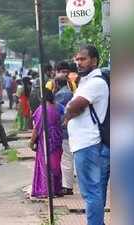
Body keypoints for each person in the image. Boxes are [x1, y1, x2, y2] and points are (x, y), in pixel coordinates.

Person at [64, 45, 110, 225]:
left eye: (82, 59)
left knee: (91, 192)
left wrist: (68, 114)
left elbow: (74, 106)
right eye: (77, 59)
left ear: (94, 60)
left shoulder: (96, 82)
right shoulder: (86, 81)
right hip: (86, 144)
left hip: (89, 143)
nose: (78, 62)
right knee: (95, 191)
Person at [29, 88, 63, 198]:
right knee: (55, 164)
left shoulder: (42, 109)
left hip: (46, 139)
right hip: (57, 139)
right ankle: (57, 189)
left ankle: (46, 190)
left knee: (45, 164)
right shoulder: (56, 107)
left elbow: (36, 127)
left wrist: (31, 141)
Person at [53, 61, 75, 196]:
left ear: (56, 83)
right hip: (66, 130)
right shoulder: (66, 92)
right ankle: (65, 184)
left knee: (66, 158)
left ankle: (67, 186)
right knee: (66, 158)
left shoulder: (63, 95)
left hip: (64, 131)